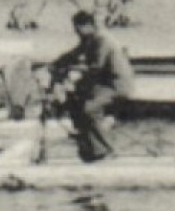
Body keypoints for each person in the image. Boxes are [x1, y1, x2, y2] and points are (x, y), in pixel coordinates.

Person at [48, 10, 137, 163]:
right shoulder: (89, 39)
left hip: (117, 85)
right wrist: (56, 63)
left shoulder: (102, 40)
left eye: (78, 28)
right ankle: (88, 148)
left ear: (88, 25)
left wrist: (72, 70)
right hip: (104, 83)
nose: (76, 32)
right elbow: (74, 53)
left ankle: (105, 150)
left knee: (89, 108)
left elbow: (96, 67)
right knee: (74, 101)